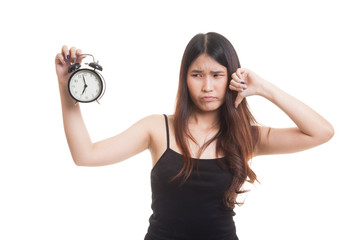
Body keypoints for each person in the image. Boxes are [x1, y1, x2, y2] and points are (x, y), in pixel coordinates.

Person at [55, 32, 334, 240]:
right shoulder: (157, 128)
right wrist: (67, 90)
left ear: (231, 77)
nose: (207, 86)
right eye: (197, 74)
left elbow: (321, 132)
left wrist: (264, 88)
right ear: (184, 78)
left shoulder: (246, 137)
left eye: (217, 74)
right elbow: (85, 155)